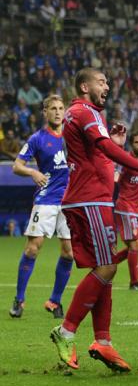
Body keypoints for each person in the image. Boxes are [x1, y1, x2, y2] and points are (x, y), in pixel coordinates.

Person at [49, 67, 138, 372]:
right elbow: (104, 148)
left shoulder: (76, 113)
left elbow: (98, 152)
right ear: (85, 85)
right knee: (107, 267)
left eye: (108, 81)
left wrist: (116, 146)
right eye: (101, 81)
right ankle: (66, 331)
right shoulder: (86, 111)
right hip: (90, 199)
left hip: (87, 197)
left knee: (104, 271)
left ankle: (103, 343)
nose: (107, 86)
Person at [9, 95, 73, 319]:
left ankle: (54, 301)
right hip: (46, 199)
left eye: (61, 108)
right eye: (53, 108)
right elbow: (17, 166)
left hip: (70, 201)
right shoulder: (37, 138)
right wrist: (32, 172)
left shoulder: (73, 136)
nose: (57, 112)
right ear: (45, 112)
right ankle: (19, 299)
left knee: (69, 252)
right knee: (33, 248)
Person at [114, 130, 138, 290]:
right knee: (135, 245)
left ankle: (108, 262)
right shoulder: (126, 160)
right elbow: (115, 177)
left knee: (133, 247)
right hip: (125, 207)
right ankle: (134, 282)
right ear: (132, 144)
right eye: (136, 142)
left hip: (137, 209)